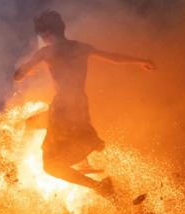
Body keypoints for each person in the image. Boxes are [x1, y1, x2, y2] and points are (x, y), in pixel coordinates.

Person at [14, 10, 155, 197]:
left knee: (51, 166)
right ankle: (83, 160)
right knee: (33, 124)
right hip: (79, 103)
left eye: (42, 35)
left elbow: (17, 76)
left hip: (62, 108)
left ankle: (99, 187)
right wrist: (142, 61)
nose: (42, 38)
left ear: (46, 33)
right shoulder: (81, 47)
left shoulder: (47, 52)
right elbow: (114, 58)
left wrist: (23, 72)